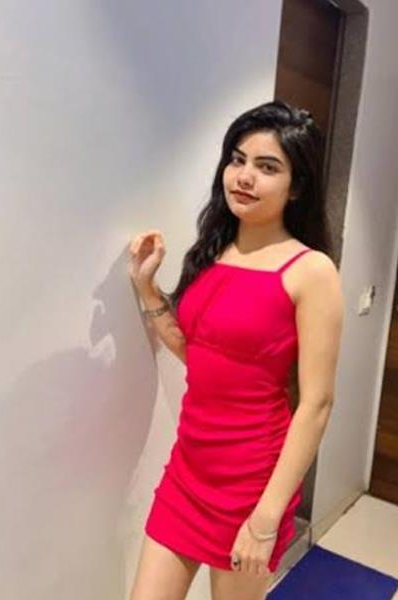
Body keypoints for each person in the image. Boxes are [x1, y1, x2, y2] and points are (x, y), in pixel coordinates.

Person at [127, 100, 344, 600]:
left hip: (253, 483)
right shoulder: (214, 250)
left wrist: (266, 517)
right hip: (188, 469)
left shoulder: (311, 271)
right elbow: (200, 355)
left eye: (267, 167)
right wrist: (147, 289)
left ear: (296, 187)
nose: (244, 177)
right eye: (237, 159)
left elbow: (317, 403)